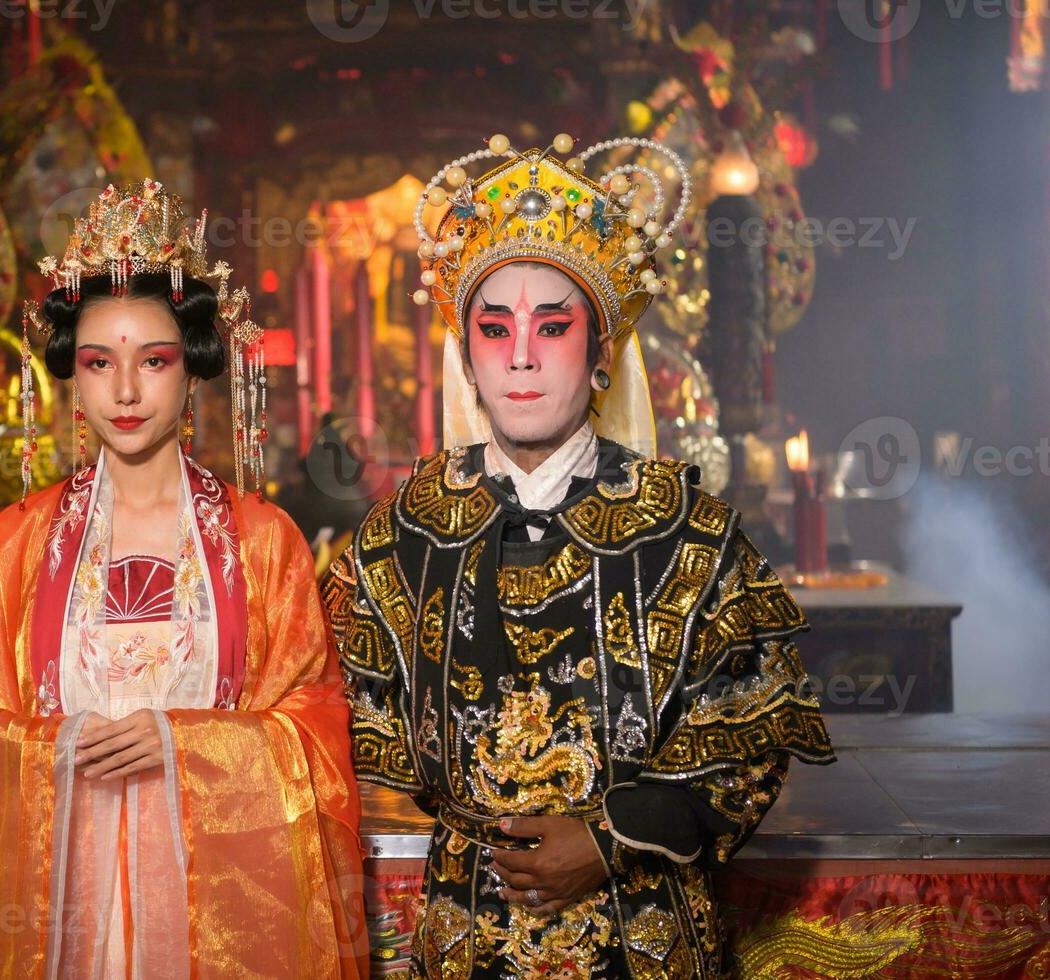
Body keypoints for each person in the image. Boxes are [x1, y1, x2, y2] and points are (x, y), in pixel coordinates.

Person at [323, 134, 836, 978]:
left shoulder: (687, 533)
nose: (521, 355)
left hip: (645, 939)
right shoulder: (399, 538)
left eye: (552, 326)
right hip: (467, 939)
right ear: (467, 355)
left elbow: (748, 738)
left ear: (601, 352)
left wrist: (607, 839)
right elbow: (335, 717)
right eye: (495, 328)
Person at [0, 179, 367, 977]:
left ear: (191, 370)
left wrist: (181, 745)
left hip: (211, 907)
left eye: (152, 361)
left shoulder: (264, 543)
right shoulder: (14, 546)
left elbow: (315, 730)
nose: (124, 392)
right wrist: (55, 748)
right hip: (63, 911)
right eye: (99, 362)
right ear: (73, 374)